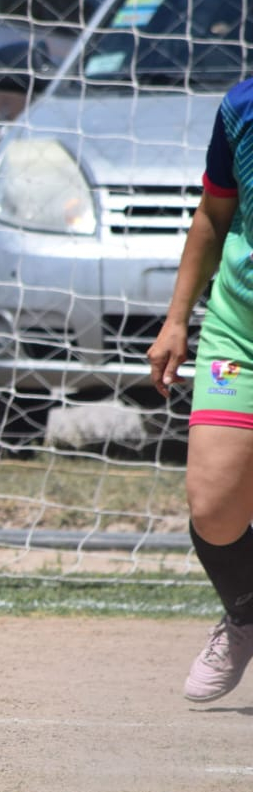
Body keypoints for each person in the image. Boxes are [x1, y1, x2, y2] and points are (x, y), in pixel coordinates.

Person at [147, 76, 253, 704]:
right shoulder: (241, 105)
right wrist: (177, 318)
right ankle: (244, 615)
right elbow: (215, 212)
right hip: (240, 332)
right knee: (214, 506)